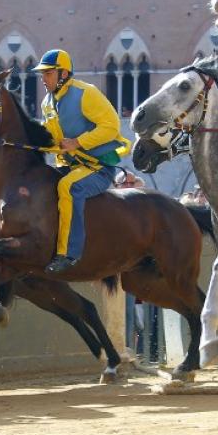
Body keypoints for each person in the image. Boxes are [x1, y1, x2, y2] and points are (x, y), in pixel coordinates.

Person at [34, 49, 130, 274]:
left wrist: (78, 142)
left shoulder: (86, 93)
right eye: (42, 74)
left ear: (64, 73)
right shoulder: (47, 103)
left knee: (69, 187)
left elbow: (111, 127)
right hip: (66, 166)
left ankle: (69, 253)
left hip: (97, 169)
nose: (43, 79)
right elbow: (52, 138)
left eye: (48, 73)